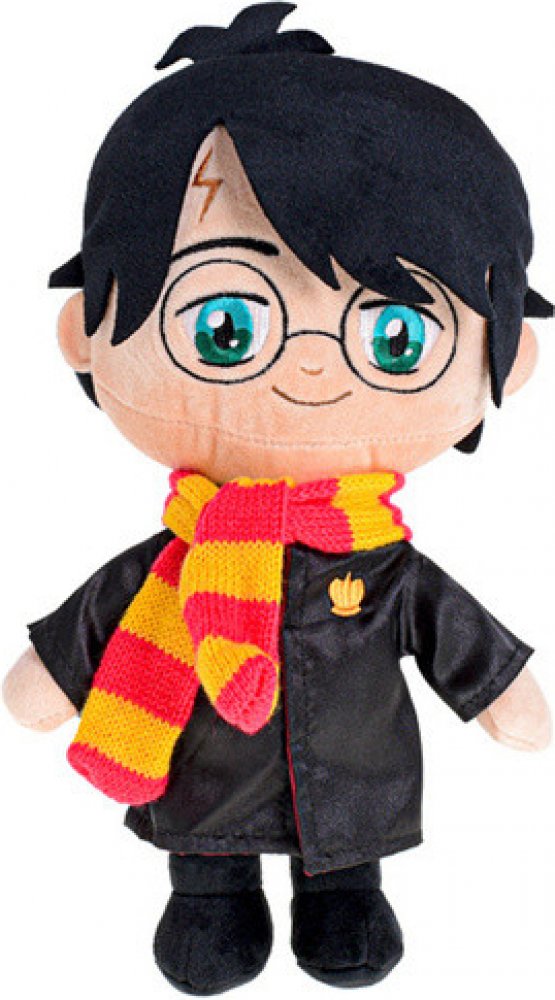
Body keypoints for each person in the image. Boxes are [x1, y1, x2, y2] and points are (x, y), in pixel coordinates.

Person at [3, 3, 552, 994]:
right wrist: (49, 671)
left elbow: (450, 629)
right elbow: (97, 615)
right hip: (203, 784)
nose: (308, 369)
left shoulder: (382, 564)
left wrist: (504, 694)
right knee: (206, 870)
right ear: (86, 333)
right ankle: (209, 895)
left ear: (506, 363)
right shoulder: (171, 564)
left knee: (341, 876)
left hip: (349, 792)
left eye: (393, 336)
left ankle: (340, 894)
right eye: (227, 324)